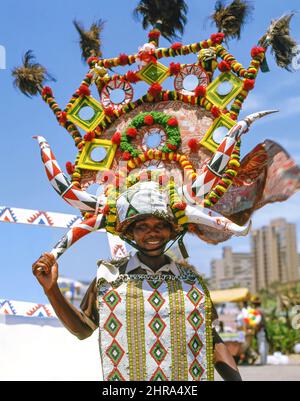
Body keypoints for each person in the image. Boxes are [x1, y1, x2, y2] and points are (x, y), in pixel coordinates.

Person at [33, 208, 242, 381]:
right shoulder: (109, 279)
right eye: (142, 227)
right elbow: (83, 330)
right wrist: (52, 290)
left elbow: (209, 337)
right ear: (130, 233)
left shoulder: (191, 281)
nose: (152, 233)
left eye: (160, 225)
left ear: (172, 231)